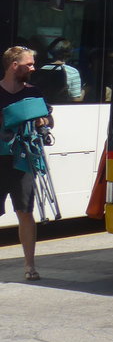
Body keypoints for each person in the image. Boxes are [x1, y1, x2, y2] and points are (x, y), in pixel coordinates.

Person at [0, 46, 51, 281]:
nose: (33, 68)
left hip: (24, 160)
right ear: (14, 66)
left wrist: (43, 121)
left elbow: (49, 119)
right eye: (28, 64)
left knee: (25, 212)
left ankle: (30, 266)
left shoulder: (34, 92)